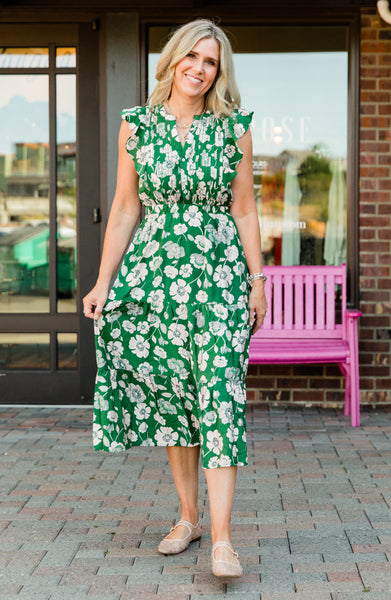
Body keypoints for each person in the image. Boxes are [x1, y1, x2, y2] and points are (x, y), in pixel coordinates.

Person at [83, 18, 267, 578]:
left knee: (219, 392)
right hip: (154, 279)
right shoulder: (136, 127)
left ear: (219, 71)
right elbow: (124, 208)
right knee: (176, 400)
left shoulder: (232, 129)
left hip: (218, 281)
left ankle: (224, 540)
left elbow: (244, 210)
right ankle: (188, 518)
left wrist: (258, 281)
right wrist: (102, 280)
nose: (199, 68)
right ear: (173, 60)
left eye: (210, 61)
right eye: (192, 56)